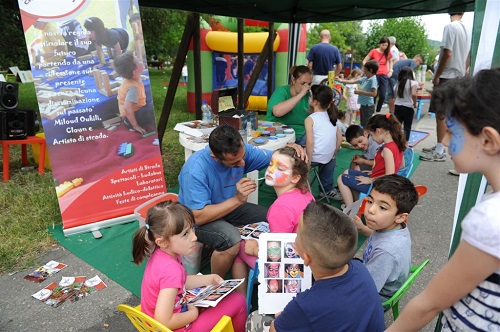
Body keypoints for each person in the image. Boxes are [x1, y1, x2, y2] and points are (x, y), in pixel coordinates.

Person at [387, 68, 500, 331]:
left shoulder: (491, 219)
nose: (445, 141)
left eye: (451, 131)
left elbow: (429, 304)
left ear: (488, 140)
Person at [178, 126, 306, 284]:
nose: (242, 163)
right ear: (215, 157)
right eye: (234, 163)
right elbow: (197, 217)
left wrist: (290, 149)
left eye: (243, 156)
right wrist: (237, 200)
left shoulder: (243, 152)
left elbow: (276, 159)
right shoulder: (195, 170)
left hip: (230, 208)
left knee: (270, 218)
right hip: (196, 219)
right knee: (231, 241)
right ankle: (214, 285)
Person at [246, 202, 385, 331]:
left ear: (306, 258)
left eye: (298, 233)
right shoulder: (360, 268)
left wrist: (285, 317)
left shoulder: (303, 306)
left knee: (255, 319)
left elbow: (273, 330)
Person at [131, 200, 247, 331]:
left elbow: (180, 281)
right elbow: (164, 321)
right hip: (178, 328)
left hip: (155, 325)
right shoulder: (171, 270)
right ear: (162, 242)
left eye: (192, 228)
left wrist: (210, 278)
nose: (194, 237)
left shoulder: (161, 254)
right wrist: (194, 313)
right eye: (185, 234)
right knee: (238, 301)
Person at [241, 146, 314, 267]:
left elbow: (275, 254)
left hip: (293, 265)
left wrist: (253, 249)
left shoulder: (281, 207)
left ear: (295, 178)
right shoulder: (307, 194)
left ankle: (241, 285)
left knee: (242, 247)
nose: (271, 170)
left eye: (280, 168)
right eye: (270, 164)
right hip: (307, 255)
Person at [352, 174, 419, 301]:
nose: (371, 210)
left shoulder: (385, 252)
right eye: (370, 201)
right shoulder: (395, 227)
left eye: (382, 207)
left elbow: (366, 292)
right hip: (372, 272)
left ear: (400, 217)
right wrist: (362, 228)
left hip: (376, 296)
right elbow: (380, 238)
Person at [420, 9, 471, 163]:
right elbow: (469, 55)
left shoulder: (450, 27)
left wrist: (436, 75)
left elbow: (447, 53)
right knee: (451, 115)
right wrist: (464, 70)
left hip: (446, 76)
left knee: (441, 115)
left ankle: (440, 149)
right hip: (459, 76)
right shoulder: (468, 30)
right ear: (462, 13)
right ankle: (441, 146)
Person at [337, 113, 406, 207]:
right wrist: (376, 172)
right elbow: (401, 166)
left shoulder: (387, 149)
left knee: (341, 178)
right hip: (377, 179)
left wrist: (370, 180)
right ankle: (357, 205)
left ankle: (350, 213)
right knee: (347, 172)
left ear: (378, 131)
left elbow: (390, 176)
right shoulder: (397, 143)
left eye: (372, 135)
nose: (372, 138)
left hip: (377, 186)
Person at [305, 85, 342, 200]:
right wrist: (334, 152)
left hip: (315, 157)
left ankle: (300, 190)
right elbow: (339, 138)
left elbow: (310, 143)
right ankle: (326, 189)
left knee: (293, 153)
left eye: (311, 97)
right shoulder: (332, 116)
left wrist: (308, 161)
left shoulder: (310, 119)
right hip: (328, 156)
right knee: (330, 157)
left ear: (315, 102)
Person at [266, 65, 312, 145]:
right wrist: (300, 95)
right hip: (278, 134)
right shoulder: (282, 91)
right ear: (293, 80)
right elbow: (277, 112)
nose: (306, 87)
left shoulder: (308, 95)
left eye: (309, 84)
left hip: (300, 134)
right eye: (303, 83)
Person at [113, 51, 150, 134]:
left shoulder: (131, 77)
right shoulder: (133, 88)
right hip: (133, 116)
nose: (141, 60)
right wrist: (135, 125)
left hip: (135, 109)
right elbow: (127, 107)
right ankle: (131, 125)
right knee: (151, 108)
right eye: (138, 61)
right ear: (135, 72)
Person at [337, 60, 379, 128]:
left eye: (365, 69)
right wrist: (341, 80)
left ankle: (366, 136)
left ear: (370, 70)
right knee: (362, 123)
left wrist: (360, 92)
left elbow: (374, 93)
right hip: (363, 104)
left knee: (366, 124)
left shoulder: (373, 80)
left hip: (368, 106)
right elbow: (353, 81)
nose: (363, 71)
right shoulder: (365, 78)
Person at [362, 36, 393, 113]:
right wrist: (368, 70)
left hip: (384, 74)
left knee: (383, 94)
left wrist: (390, 70)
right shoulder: (374, 51)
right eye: (383, 45)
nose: (384, 47)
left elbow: (390, 61)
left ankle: (378, 110)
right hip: (375, 74)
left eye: (386, 45)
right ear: (380, 44)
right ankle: (372, 108)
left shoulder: (388, 52)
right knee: (374, 93)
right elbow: (365, 61)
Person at [393, 66, 419, 141]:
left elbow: (395, 97)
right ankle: (405, 143)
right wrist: (414, 104)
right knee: (407, 127)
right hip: (408, 107)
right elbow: (414, 94)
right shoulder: (413, 83)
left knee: (397, 126)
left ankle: (396, 141)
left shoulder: (397, 85)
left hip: (398, 106)